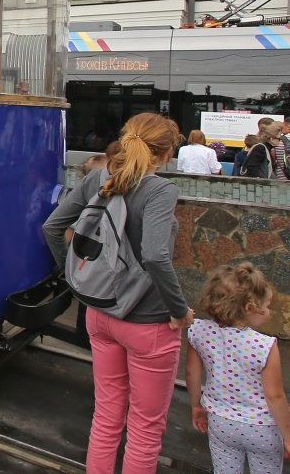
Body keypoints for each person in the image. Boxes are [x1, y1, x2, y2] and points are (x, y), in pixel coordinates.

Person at [42, 112, 192, 473]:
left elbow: (52, 227)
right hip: (149, 323)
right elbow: (155, 256)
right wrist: (179, 310)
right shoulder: (160, 190)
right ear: (167, 152)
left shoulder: (98, 177)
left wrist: (75, 280)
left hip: (100, 312)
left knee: (107, 414)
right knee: (145, 427)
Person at [187, 262, 290, 474]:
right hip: (262, 430)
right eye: (267, 305)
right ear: (250, 308)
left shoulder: (199, 331)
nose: (269, 311)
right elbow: (275, 396)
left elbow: (191, 373)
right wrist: (288, 436)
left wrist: (196, 405)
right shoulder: (264, 345)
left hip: (220, 423)